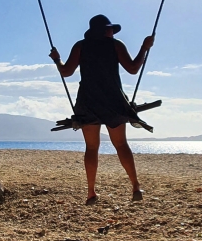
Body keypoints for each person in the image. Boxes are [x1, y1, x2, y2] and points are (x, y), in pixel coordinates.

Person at [50, 14, 154, 204]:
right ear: (105, 30)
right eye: (110, 29)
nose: (112, 33)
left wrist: (57, 59)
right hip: (113, 100)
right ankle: (135, 186)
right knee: (121, 144)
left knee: (91, 147)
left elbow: (66, 72)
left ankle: (91, 192)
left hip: (88, 101)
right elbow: (133, 68)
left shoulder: (80, 46)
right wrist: (144, 48)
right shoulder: (115, 45)